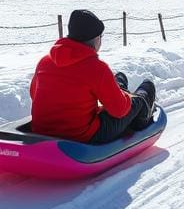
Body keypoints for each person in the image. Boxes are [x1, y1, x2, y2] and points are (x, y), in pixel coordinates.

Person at [30, 9, 157, 144]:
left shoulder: (45, 62)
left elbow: (34, 94)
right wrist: (128, 97)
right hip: (82, 136)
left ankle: (120, 87)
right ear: (96, 39)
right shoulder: (97, 68)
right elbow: (120, 110)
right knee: (141, 97)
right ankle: (140, 120)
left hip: (42, 132)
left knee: (119, 77)